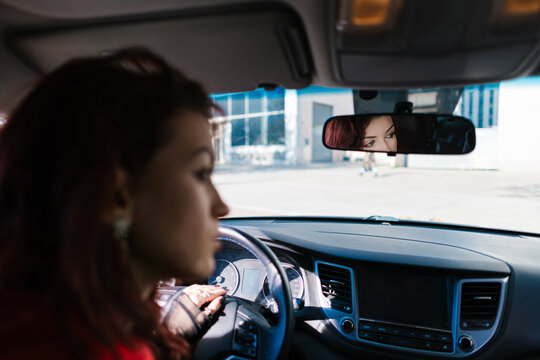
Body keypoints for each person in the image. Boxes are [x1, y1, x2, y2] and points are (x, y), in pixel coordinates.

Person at [0, 48, 230, 359]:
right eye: (201, 173)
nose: (221, 207)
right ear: (117, 195)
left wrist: (168, 334)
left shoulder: (37, 317)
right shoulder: (82, 347)